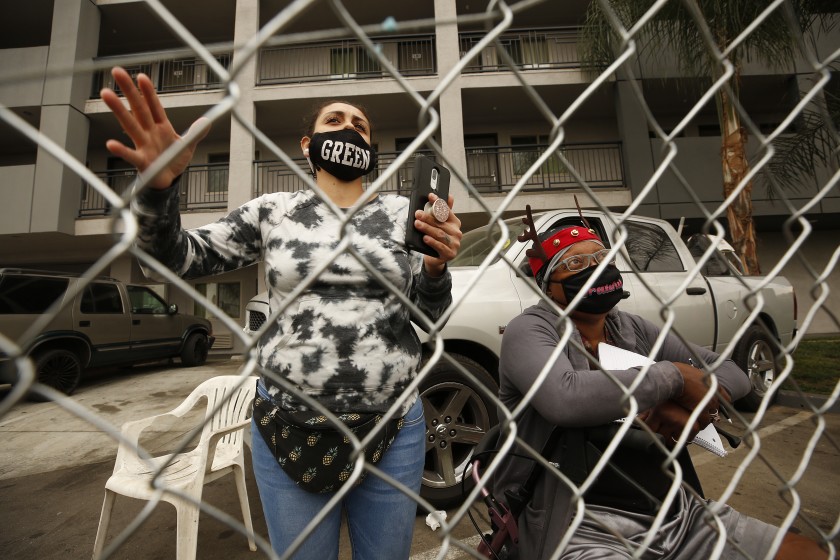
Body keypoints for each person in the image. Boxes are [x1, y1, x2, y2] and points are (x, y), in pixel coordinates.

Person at [100, 66, 463, 559]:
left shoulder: (404, 213)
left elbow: (429, 319)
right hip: (289, 425)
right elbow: (176, 258)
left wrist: (437, 270)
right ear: (307, 143)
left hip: (393, 428)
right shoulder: (274, 210)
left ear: (372, 152)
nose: (350, 126)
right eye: (335, 119)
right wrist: (159, 190)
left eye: (361, 124)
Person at [491, 208, 827, 559]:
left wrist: (699, 399)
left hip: (674, 511)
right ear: (548, 284)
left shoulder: (630, 328)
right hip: (578, 523)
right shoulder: (530, 330)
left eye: (601, 256)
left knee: (805, 551)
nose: (594, 268)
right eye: (575, 265)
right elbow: (565, 397)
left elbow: (732, 372)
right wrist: (674, 378)